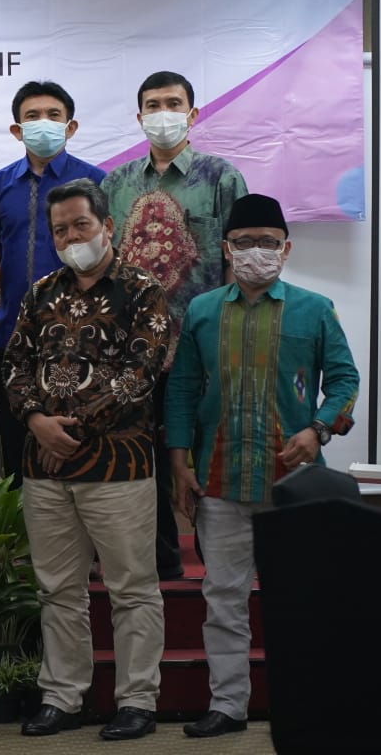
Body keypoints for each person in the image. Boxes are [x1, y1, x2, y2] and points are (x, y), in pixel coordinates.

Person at [165, 194, 359, 739]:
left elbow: (344, 380)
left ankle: (305, 705)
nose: (257, 251)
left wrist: (317, 429)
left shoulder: (315, 309)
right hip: (220, 479)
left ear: (286, 249)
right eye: (245, 242)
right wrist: (179, 462)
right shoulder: (202, 311)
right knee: (222, 600)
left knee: (299, 600)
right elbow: (181, 390)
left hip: (293, 486)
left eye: (268, 242)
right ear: (227, 249)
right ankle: (228, 706)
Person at [4, 179, 169, 741]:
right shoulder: (40, 292)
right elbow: (15, 364)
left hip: (118, 467)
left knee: (132, 588)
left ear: (107, 226)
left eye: (81, 225)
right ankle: (62, 697)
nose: (71, 237)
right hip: (45, 468)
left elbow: (140, 374)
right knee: (58, 590)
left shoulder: (143, 291)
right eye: (60, 230)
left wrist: (70, 431)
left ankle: (138, 700)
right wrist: (36, 422)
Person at [102, 70, 248, 580]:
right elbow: (104, 265)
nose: (162, 113)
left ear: (193, 112)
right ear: (139, 115)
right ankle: (160, 558)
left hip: (200, 343)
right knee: (140, 454)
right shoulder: (116, 184)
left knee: (206, 449)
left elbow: (237, 261)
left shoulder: (221, 177)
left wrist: (229, 336)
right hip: (133, 348)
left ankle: (217, 556)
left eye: (173, 103)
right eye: (153, 104)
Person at [0, 82, 105, 485]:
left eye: (53, 115)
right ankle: (21, 526)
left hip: (82, 337)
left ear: (71, 126)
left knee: (78, 448)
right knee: (19, 455)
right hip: (12, 339)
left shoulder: (97, 182)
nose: (43, 123)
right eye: (32, 116)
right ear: (17, 130)